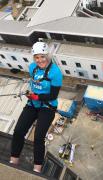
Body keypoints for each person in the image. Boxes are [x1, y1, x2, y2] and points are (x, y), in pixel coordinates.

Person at [10, 41, 63, 172]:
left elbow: (53, 95)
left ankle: (37, 168)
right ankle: (13, 160)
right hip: (32, 103)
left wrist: (37, 97)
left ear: (48, 56)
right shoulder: (32, 67)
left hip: (47, 106)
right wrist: (30, 94)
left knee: (38, 137)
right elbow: (34, 84)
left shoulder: (55, 72)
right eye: (37, 57)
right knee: (18, 132)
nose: (39, 60)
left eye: (42, 56)